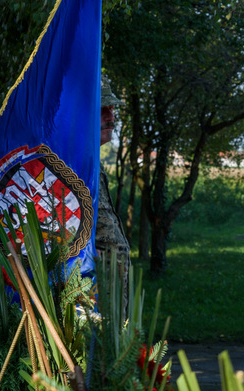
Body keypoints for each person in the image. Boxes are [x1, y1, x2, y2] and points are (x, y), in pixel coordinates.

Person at [96, 74, 131, 311]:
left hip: (111, 296)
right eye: (102, 109)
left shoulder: (91, 161)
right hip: (94, 298)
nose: (111, 116)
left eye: (112, 108)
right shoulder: (70, 164)